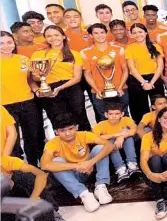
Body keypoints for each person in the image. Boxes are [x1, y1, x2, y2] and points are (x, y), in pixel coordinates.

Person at [40, 113, 114, 212]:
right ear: (56, 132)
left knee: (100, 148)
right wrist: (77, 166)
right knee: (56, 161)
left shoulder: (83, 135)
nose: (67, 133)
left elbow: (109, 145)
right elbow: (44, 165)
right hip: (70, 175)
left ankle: (101, 187)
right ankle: (84, 194)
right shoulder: (52, 143)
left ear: (76, 127)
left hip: (88, 170)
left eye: (70, 129)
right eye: (62, 131)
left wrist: (91, 162)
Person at [31, 25, 90, 130]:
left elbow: (77, 78)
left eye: (56, 35)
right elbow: (34, 78)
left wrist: (60, 88)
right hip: (49, 89)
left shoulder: (74, 54)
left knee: (80, 117)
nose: (53, 38)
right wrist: (41, 76)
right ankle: (62, 146)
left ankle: (87, 145)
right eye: (49, 36)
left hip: (72, 88)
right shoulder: (38, 54)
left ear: (63, 36)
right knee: (57, 120)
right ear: (45, 38)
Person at [1, 31, 44, 165]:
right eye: (1, 43)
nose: (6, 46)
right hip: (5, 107)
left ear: (14, 43)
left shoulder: (23, 59)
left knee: (32, 136)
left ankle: (35, 166)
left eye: (9, 42)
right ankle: (17, 171)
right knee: (12, 140)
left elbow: (30, 80)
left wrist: (37, 89)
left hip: (27, 102)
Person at [82, 23, 129, 121]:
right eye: (96, 33)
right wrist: (97, 90)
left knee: (124, 116)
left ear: (106, 33)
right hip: (99, 91)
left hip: (120, 89)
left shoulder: (119, 49)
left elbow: (125, 69)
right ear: (91, 35)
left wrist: (120, 87)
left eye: (102, 32)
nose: (100, 35)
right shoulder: (85, 52)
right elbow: (87, 73)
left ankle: (128, 136)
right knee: (104, 118)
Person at [126, 23, 165, 123]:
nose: (138, 35)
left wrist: (151, 83)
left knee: (159, 105)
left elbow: (160, 66)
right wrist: (143, 82)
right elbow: (131, 67)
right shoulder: (129, 48)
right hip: (137, 79)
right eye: (134, 33)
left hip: (154, 78)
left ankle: (161, 125)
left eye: (140, 32)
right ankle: (141, 129)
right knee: (139, 107)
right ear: (131, 35)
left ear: (145, 32)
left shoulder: (155, 46)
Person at [92, 102, 139, 183]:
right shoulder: (101, 125)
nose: (114, 116)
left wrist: (122, 136)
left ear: (122, 114)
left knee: (127, 134)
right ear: (106, 115)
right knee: (109, 141)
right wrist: (116, 135)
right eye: (111, 114)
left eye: (117, 114)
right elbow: (94, 138)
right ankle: (120, 168)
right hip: (113, 148)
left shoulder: (126, 119)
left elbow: (134, 129)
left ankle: (132, 164)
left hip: (127, 144)